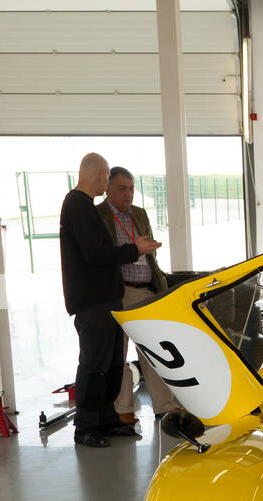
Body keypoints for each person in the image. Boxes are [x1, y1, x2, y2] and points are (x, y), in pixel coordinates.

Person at [60, 152, 160, 448]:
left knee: (112, 362)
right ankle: (86, 425)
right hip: (93, 301)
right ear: (101, 175)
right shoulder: (77, 205)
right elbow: (95, 254)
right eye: (107, 178)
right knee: (94, 363)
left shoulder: (85, 206)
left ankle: (107, 419)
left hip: (108, 298)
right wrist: (134, 249)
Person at [96, 167, 179, 422]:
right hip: (119, 293)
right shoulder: (98, 216)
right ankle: (123, 409)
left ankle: (163, 405)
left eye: (131, 188)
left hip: (146, 292)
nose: (128, 194)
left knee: (152, 351)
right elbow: (102, 255)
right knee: (118, 353)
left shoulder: (140, 214)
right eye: (122, 188)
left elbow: (149, 253)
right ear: (108, 189)